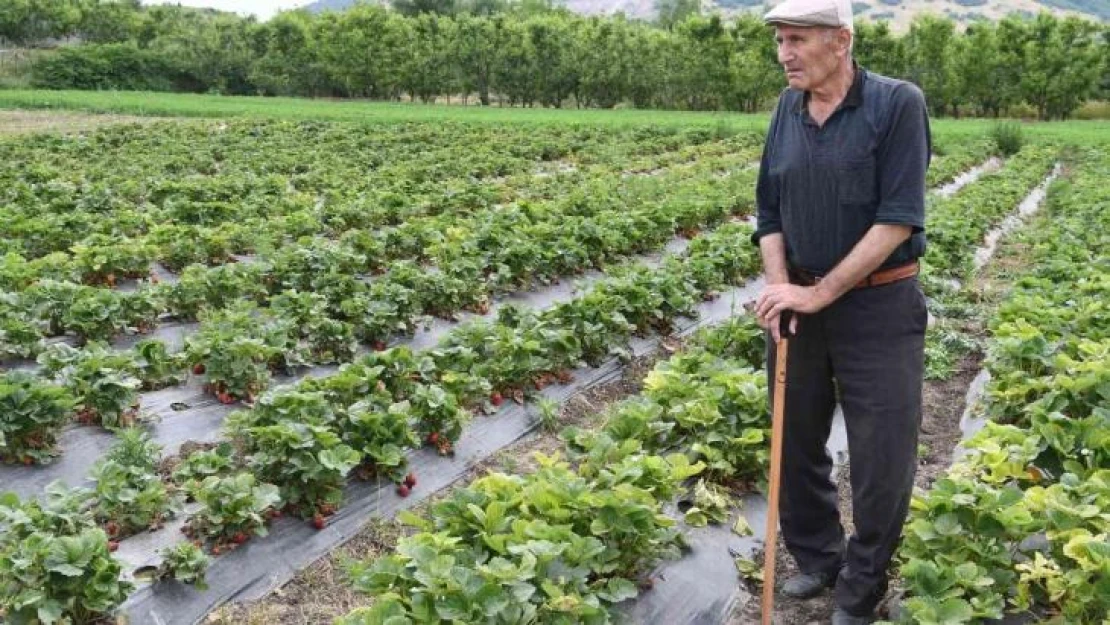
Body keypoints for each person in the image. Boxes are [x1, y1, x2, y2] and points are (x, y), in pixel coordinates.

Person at [750, 0, 931, 623]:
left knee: (882, 456)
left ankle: (861, 584)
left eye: (797, 39)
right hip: (799, 302)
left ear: (841, 41)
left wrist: (819, 292)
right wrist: (782, 291)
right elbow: (769, 212)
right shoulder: (785, 110)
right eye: (780, 41)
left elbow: (898, 217)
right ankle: (818, 557)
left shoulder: (895, 104)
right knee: (795, 441)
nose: (785, 54)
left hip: (879, 306)